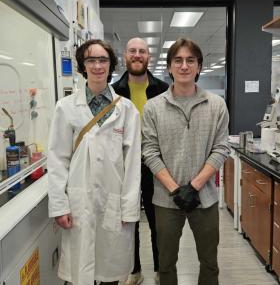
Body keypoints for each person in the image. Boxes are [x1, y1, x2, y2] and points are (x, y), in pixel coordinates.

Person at [48, 39, 141, 285]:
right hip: (79, 202)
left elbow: (132, 164)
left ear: (111, 66)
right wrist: (59, 205)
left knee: (111, 270)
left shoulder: (127, 110)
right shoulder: (66, 108)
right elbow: (58, 158)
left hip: (114, 202)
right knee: (81, 271)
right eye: (91, 60)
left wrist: (130, 207)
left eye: (103, 60)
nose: (97, 65)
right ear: (82, 65)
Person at [142, 38, 230, 285]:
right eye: (178, 60)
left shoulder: (216, 105)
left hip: (205, 198)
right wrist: (175, 189)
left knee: (210, 262)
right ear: (169, 67)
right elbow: (149, 152)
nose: (184, 66)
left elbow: (221, 147)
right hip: (166, 199)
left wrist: (195, 186)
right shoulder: (153, 108)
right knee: (166, 263)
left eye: (190, 60)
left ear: (199, 66)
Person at [112, 37, 168, 284]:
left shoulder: (163, 89)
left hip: (156, 166)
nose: (137, 55)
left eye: (142, 51)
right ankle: (134, 271)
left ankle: (159, 270)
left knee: (159, 223)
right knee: (128, 222)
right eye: (132, 51)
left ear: (149, 57)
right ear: (125, 55)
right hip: (124, 167)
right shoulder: (114, 91)